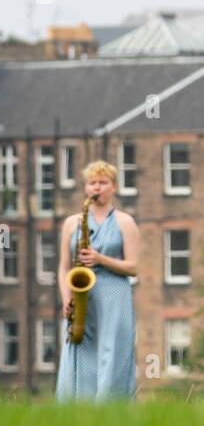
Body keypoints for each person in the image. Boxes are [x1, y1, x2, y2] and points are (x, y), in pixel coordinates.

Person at [56, 160, 139, 401]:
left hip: (115, 296)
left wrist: (99, 258)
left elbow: (133, 267)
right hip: (82, 297)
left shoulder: (125, 222)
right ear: (85, 188)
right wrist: (66, 298)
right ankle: (78, 411)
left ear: (114, 187)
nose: (97, 188)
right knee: (79, 350)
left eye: (103, 183)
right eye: (92, 183)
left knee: (112, 353)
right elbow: (63, 268)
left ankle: (109, 410)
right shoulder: (72, 223)